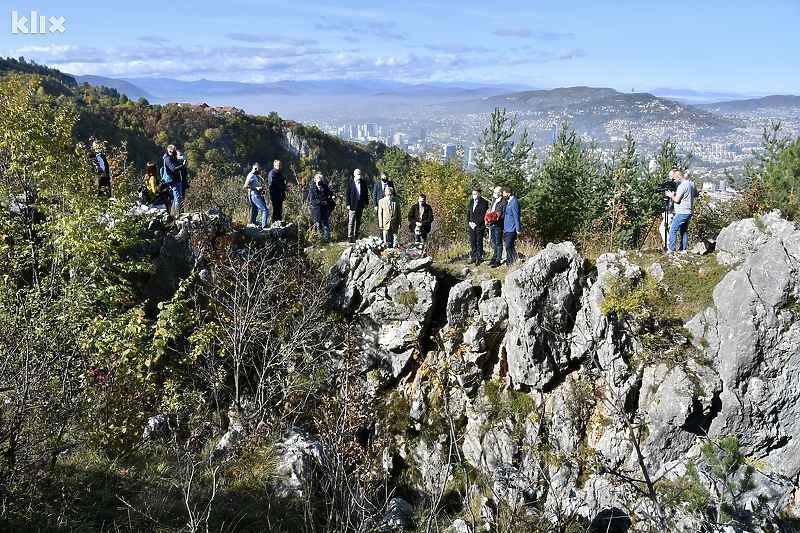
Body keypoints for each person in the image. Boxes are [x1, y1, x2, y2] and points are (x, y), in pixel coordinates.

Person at [665, 169, 698, 252]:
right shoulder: (691, 184)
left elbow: (677, 200)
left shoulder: (682, 186)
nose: (674, 181)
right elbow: (696, 194)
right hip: (689, 211)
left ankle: (671, 249)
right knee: (683, 230)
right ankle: (683, 249)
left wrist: (671, 195)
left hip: (681, 211)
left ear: (679, 177)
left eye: (675, 179)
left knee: (673, 230)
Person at [308, 173, 335, 242]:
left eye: (321, 180)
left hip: (325, 208)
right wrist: (321, 202)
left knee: (326, 224)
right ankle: (320, 239)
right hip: (317, 209)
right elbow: (312, 200)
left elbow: (330, 193)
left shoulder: (325, 187)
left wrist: (332, 196)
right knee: (319, 225)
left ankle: (327, 239)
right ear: (315, 181)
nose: (320, 182)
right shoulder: (312, 189)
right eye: (319, 181)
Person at [345, 168, 369, 243]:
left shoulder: (363, 182)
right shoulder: (350, 183)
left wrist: (366, 203)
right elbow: (347, 194)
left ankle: (356, 235)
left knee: (358, 221)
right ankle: (350, 236)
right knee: (351, 221)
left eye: (360, 174)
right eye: (357, 174)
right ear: (354, 174)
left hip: (360, 204)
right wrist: (348, 204)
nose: (359, 175)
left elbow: (365, 193)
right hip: (352, 204)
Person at [163, 144, 187, 216]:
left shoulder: (172, 158)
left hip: (177, 179)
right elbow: (173, 168)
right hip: (174, 180)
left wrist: (180, 159)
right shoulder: (168, 159)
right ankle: (176, 214)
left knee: (176, 199)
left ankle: (172, 213)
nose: (175, 153)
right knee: (178, 198)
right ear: (169, 151)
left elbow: (176, 164)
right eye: (173, 152)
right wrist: (182, 165)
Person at [466, 187, 489, 265]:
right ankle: (473, 257)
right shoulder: (471, 201)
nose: (474, 195)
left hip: (479, 226)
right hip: (471, 225)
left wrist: (476, 224)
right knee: (473, 242)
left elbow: (482, 215)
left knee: (479, 242)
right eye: (473, 194)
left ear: (479, 194)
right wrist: (469, 222)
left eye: (475, 194)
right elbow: (469, 213)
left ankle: (478, 258)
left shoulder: (484, 202)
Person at [243, 163, 269, 228]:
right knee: (265, 210)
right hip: (254, 195)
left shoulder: (252, 175)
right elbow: (246, 185)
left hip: (252, 195)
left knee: (254, 210)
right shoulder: (251, 175)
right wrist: (256, 188)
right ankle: (264, 226)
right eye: (259, 169)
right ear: (255, 169)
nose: (260, 171)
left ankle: (252, 225)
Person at [487, 186, 507, 267]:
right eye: (494, 192)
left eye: (496, 192)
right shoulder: (494, 201)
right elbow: (492, 210)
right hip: (492, 223)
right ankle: (494, 257)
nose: (494, 194)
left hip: (498, 224)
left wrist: (497, 217)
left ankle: (498, 259)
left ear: (500, 193)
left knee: (498, 242)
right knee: (494, 242)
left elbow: (504, 214)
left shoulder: (504, 202)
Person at [502, 187, 521, 266]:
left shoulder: (514, 202)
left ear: (508, 193)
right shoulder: (509, 202)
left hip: (512, 228)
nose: (503, 196)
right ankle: (510, 261)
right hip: (507, 228)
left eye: (504, 194)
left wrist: (518, 228)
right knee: (508, 246)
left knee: (509, 246)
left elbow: (516, 216)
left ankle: (510, 262)